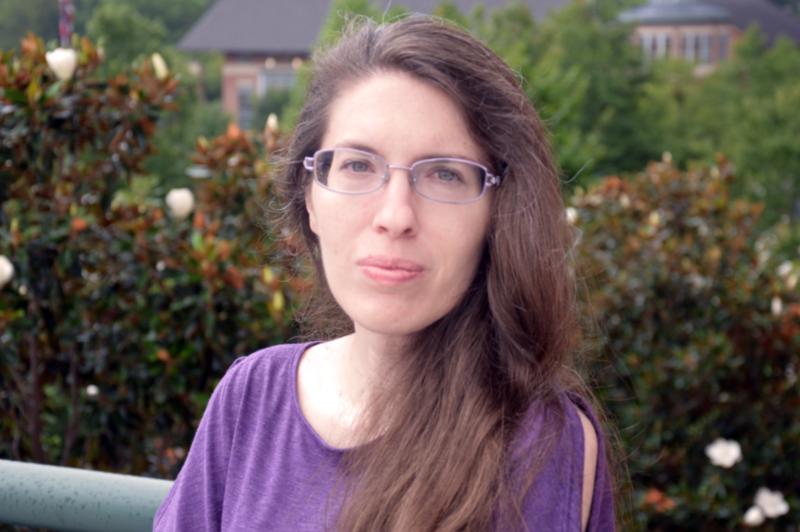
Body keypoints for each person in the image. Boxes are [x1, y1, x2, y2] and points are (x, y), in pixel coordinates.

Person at [154, 15, 616, 532]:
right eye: (357, 166)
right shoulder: (250, 399)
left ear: (497, 214)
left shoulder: (538, 443)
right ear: (310, 198)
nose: (395, 216)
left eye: (444, 173)